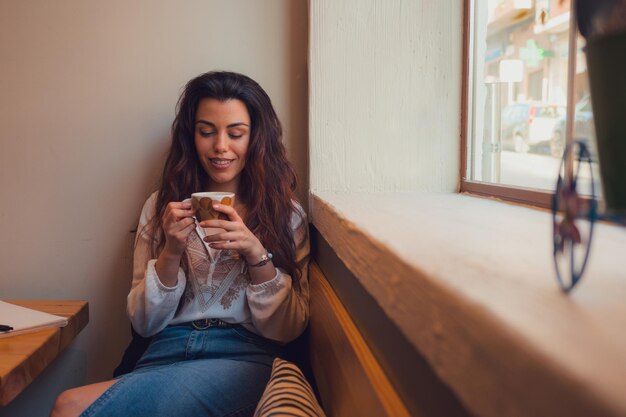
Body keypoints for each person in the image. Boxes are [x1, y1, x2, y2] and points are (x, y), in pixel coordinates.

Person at [51, 71, 310, 417]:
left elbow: (288, 329)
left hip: (243, 357)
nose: (220, 146)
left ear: (257, 138)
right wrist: (171, 251)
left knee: (69, 407)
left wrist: (254, 252)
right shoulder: (161, 207)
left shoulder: (284, 212)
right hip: (163, 352)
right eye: (207, 132)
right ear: (191, 137)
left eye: (236, 133)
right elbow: (143, 323)